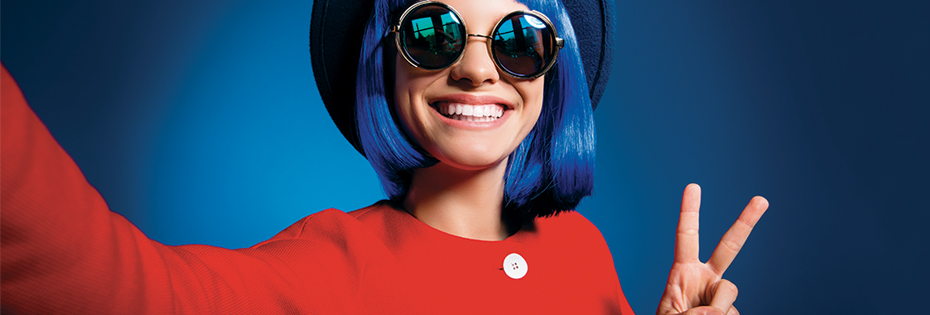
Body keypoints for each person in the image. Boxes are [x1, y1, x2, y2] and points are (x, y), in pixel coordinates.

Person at [0, 0, 767, 314]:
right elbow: (118, 286)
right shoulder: (328, 265)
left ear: (552, 70)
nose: (477, 71)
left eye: (518, 39)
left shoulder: (581, 252)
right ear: (385, 59)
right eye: (433, 33)